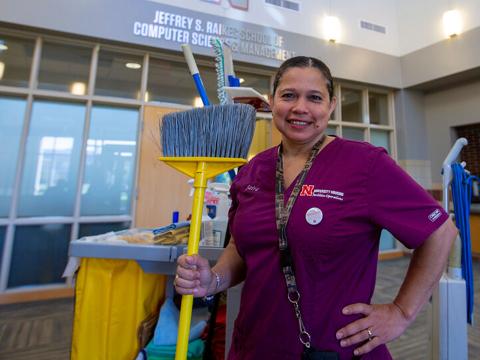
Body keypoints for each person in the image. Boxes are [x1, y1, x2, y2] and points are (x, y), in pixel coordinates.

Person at [174, 56, 457, 359]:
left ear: (331, 105)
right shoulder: (253, 170)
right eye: (288, 95)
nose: (300, 108)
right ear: (272, 101)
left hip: (332, 347)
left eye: (314, 98)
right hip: (254, 345)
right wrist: (214, 279)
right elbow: (241, 248)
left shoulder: (365, 164)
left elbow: (440, 231)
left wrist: (401, 311)